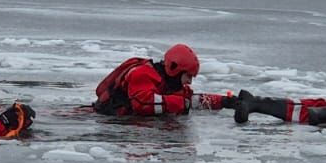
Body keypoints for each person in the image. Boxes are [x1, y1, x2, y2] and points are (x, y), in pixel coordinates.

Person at [91, 44, 235, 116]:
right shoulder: (142, 74)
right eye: (188, 76)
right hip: (108, 121)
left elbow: (190, 100)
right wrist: (181, 104)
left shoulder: (169, 81)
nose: (190, 82)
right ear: (175, 70)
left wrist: (225, 101)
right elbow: (142, 103)